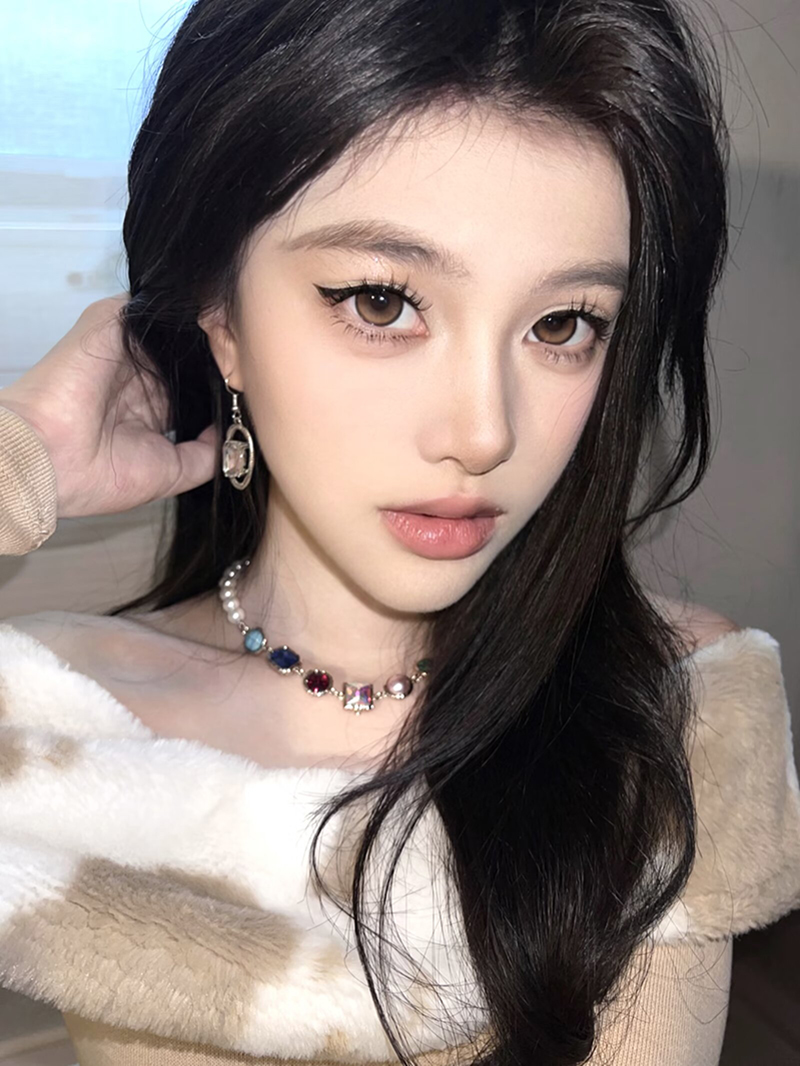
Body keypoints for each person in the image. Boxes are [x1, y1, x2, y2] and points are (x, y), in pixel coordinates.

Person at [0, 1, 799, 1064]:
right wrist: (19, 464)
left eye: (562, 325)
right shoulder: (58, 721)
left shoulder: (673, 706)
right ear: (221, 320)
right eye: (381, 303)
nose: (482, 432)